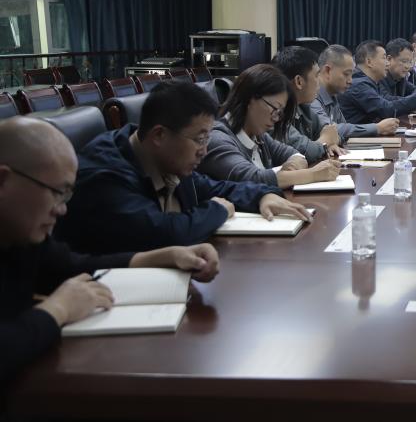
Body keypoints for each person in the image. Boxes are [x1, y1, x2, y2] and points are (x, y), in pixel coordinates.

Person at [1, 117, 222, 380]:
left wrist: (162, 257)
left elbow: (72, 266)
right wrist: (58, 310)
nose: (62, 209)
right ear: (3, 181)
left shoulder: (21, 234)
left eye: (66, 195)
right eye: (57, 192)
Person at [57, 81, 308, 255]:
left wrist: (262, 196)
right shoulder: (105, 176)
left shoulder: (167, 158)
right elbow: (164, 233)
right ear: (159, 135)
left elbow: (213, 187)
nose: (204, 150)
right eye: (200, 139)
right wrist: (216, 210)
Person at [200, 65, 342, 188]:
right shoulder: (217, 138)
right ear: (249, 99)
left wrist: (292, 168)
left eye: (280, 112)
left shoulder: (259, 136)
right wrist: (312, 175)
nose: (277, 118)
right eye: (275, 109)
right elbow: (252, 179)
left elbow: (296, 154)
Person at [339, 40, 416, 124]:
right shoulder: (359, 84)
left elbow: (389, 103)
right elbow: (387, 109)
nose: (387, 63)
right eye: (384, 58)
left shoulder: (372, 81)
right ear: (369, 61)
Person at [273, 45, 346, 161]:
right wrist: (325, 142)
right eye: (316, 75)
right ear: (299, 82)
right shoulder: (275, 113)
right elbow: (304, 151)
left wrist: (329, 143)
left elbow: (333, 133)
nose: (319, 82)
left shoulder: (303, 107)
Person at [310, 44, 399, 138]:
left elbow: (342, 129)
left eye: (351, 75)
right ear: (328, 70)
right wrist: (377, 128)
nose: (350, 81)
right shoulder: (311, 96)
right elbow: (329, 130)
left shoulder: (332, 95)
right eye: (346, 74)